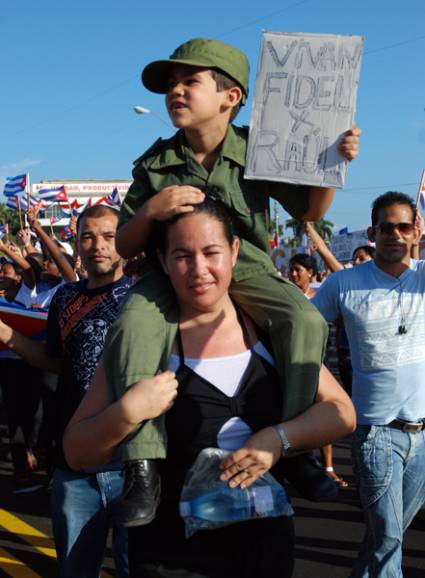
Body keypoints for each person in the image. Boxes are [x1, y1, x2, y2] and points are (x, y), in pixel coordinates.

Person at [103, 37, 361, 525]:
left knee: (305, 319)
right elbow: (124, 244)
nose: (175, 91)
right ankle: (142, 463)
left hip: (247, 268)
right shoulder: (154, 164)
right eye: (170, 85)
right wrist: (153, 210)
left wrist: (334, 164)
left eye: (189, 82)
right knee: (133, 322)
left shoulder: (262, 150)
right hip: (172, 271)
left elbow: (308, 210)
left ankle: (297, 447)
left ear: (231, 97)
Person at [64, 198, 355, 578]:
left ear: (234, 252)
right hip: (170, 557)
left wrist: (278, 440)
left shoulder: (269, 332)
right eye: (182, 255)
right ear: (163, 262)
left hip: (265, 548)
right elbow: (77, 451)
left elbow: (342, 412)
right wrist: (127, 412)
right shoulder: (141, 346)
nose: (199, 269)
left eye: (211, 252)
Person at [0, 205, 131, 577]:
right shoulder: (65, 298)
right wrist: (6, 333)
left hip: (135, 463)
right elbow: (56, 362)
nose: (98, 246)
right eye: (87, 236)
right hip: (75, 463)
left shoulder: (146, 298)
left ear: (124, 242)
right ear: (76, 242)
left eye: (108, 236)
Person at [312, 191, 425, 577]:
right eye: (386, 227)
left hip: (422, 436)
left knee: (386, 536)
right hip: (376, 434)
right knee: (389, 535)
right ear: (372, 233)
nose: (395, 234)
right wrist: (322, 383)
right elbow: (304, 333)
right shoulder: (344, 284)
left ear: (416, 231)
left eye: (404, 226)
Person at [288, 253, 348, 490]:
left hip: (320, 363)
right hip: (292, 364)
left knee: (324, 412)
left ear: (311, 273)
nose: (293, 274)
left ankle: (329, 468)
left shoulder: (320, 298)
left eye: (299, 270)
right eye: (291, 269)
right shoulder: (284, 296)